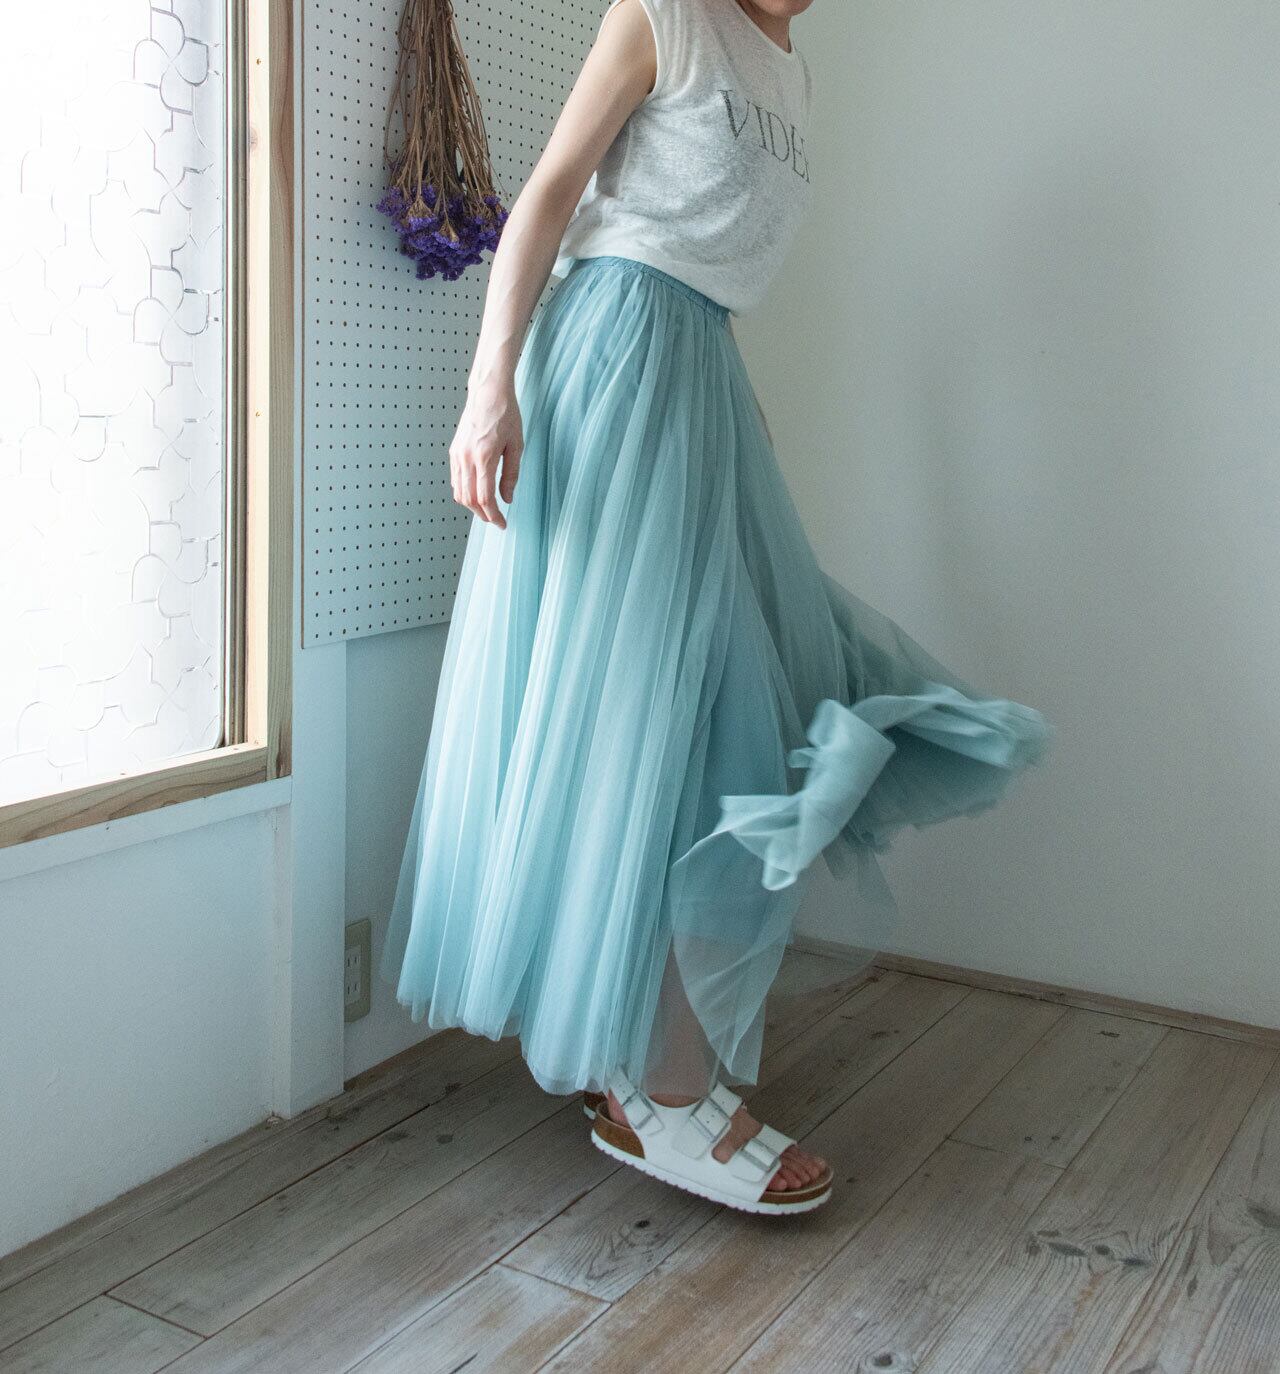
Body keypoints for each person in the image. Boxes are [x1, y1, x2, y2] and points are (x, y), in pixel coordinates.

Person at [381, 0, 1051, 1216]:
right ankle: (660, 1089)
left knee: (725, 707)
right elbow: (549, 196)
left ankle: (633, 1058)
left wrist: (736, 417)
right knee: (659, 723)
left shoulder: (791, 71)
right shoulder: (665, 15)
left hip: (696, 377)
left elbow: (711, 270)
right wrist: (487, 391)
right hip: (612, 365)